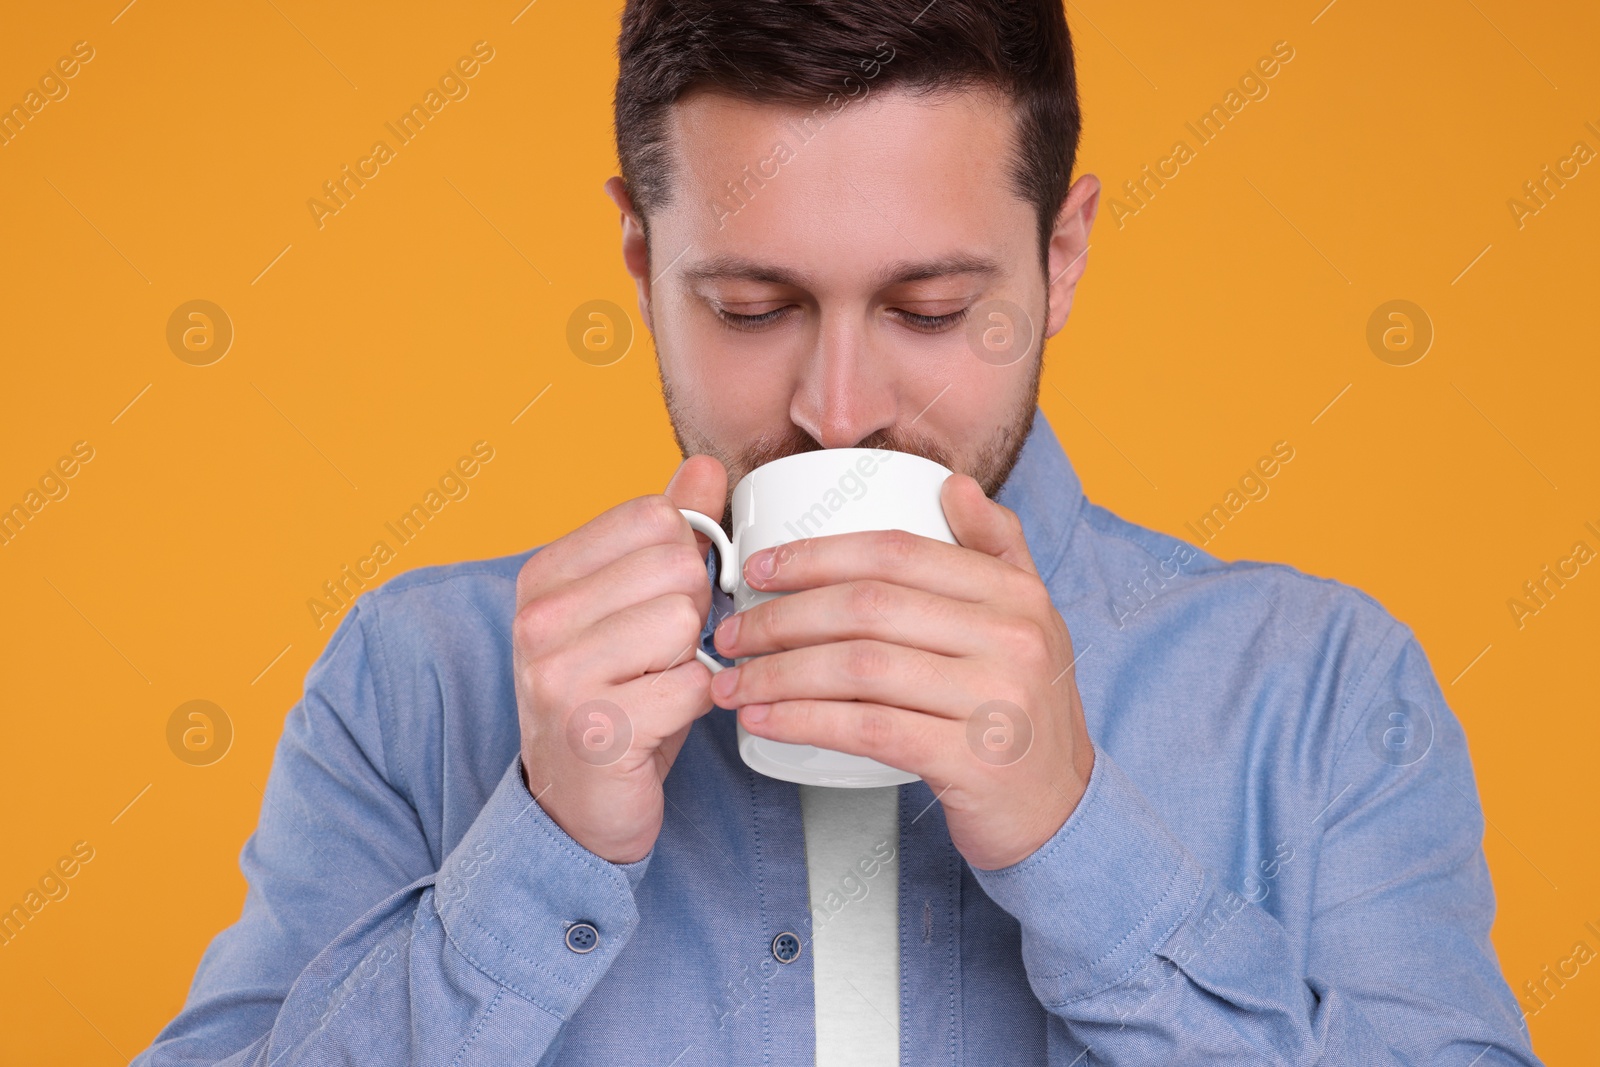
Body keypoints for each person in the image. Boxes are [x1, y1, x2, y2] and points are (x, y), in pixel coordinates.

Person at [134, 1, 1540, 1063]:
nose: (841, 408)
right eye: (753, 307)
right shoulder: (417, 677)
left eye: (930, 309)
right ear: (641, 260)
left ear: (1062, 259)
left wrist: (1077, 841)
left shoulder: (1322, 692)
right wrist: (542, 845)